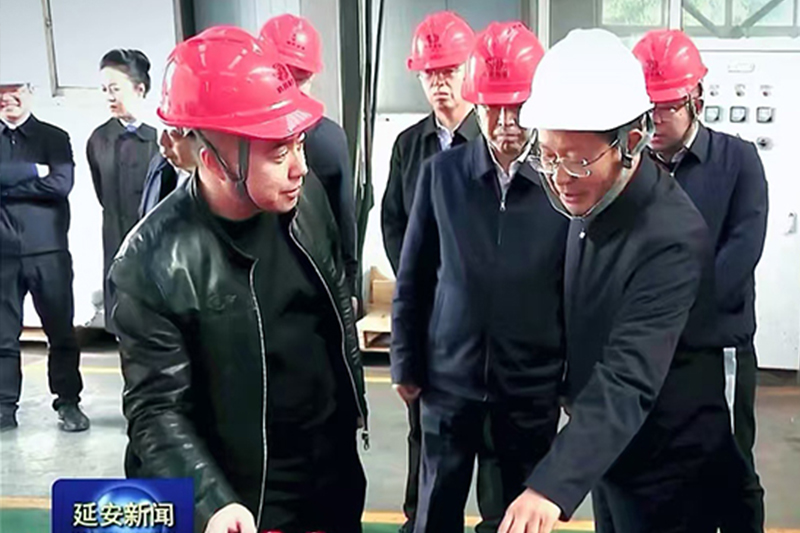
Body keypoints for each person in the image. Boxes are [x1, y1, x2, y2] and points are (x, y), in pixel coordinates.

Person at [108, 26, 368, 533]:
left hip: (331, 480)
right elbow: (156, 411)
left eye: (299, 144)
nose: (300, 168)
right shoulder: (151, 264)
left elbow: (335, 298)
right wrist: (212, 502)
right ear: (212, 160)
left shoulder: (305, 198)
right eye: (279, 152)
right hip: (249, 500)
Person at [501, 28, 750, 533]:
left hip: (670, 467)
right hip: (612, 452)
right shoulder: (591, 200)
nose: (559, 177)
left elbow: (629, 374)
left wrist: (552, 485)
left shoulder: (670, 237)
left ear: (631, 143)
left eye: (577, 160)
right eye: (548, 155)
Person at [391, 21, 567, 533]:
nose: (506, 123)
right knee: (434, 510)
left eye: (518, 108)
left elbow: (576, 292)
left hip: (529, 389)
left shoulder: (563, 186)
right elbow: (413, 277)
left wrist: (572, 380)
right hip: (449, 382)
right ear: (477, 102)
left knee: (515, 517)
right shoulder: (441, 175)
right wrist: (404, 360)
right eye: (493, 108)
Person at [632, 29, 768, 533]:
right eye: (645, 109)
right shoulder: (633, 169)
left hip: (716, 348)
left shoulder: (737, 161)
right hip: (650, 351)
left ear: (695, 99)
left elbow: (739, 255)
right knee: (664, 472)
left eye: (666, 107)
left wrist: (669, 316)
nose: (654, 120)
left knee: (730, 466)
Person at [379, 11, 493, 532]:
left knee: (489, 438)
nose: (440, 84)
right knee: (424, 432)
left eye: (449, 71)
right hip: (427, 317)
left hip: (478, 321)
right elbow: (394, 222)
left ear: (469, 71)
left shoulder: (493, 142)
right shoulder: (410, 146)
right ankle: (418, 518)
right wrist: (420, 278)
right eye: (430, 74)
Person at [0, 80, 89, 432]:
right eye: (0, 90)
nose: (7, 97)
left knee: (61, 332)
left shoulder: (54, 137)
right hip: (3, 255)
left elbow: (60, 184)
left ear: (30, 91)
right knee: (3, 336)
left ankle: (68, 402)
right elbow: (46, 183)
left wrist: (7, 184)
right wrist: (33, 174)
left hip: (49, 251)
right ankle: (4, 407)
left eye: (14, 89)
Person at [260, 14, 359, 298]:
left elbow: (344, 219)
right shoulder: (241, 138)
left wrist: (350, 287)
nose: (291, 90)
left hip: (315, 282)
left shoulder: (329, 141)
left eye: (299, 79)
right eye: (283, 78)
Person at [86, 49, 158, 333]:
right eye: (104, 89)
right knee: (123, 322)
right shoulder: (99, 139)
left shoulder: (161, 137)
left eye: (115, 89)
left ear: (139, 89)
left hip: (157, 244)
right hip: (116, 238)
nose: (109, 97)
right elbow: (101, 192)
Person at [138, 129, 196, 218]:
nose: (161, 142)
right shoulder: (158, 165)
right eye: (161, 128)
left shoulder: (215, 186)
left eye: (173, 131)